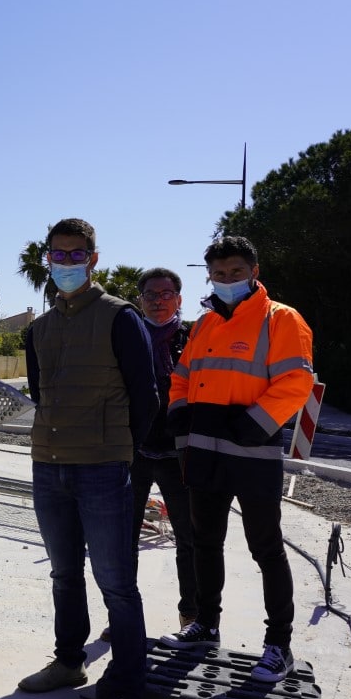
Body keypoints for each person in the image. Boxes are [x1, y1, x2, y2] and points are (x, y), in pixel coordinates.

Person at [16, 218, 157, 699]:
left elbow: (146, 398)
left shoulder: (120, 318)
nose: (67, 263)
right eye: (59, 254)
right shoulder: (40, 329)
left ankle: (129, 696)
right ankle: (69, 662)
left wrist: (120, 453)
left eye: (77, 255)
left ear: (93, 259)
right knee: (63, 574)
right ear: (47, 260)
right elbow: (41, 392)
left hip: (102, 468)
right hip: (48, 465)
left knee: (117, 585)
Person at [159, 236, 315, 684]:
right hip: (205, 449)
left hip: (252, 452)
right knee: (205, 542)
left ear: (254, 273)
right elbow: (182, 375)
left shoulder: (281, 319)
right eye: (219, 274)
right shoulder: (206, 323)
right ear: (209, 275)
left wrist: (257, 423)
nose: (227, 280)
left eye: (235, 273)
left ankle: (278, 646)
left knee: (266, 548)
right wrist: (177, 409)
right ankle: (206, 627)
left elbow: (295, 382)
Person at [127, 267, 197, 631]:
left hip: (179, 455)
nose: (158, 301)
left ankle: (191, 617)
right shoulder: (126, 336)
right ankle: (125, 617)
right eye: (151, 295)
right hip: (134, 453)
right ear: (140, 300)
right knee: (124, 541)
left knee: (189, 539)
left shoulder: (195, 337)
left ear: (179, 299)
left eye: (165, 294)